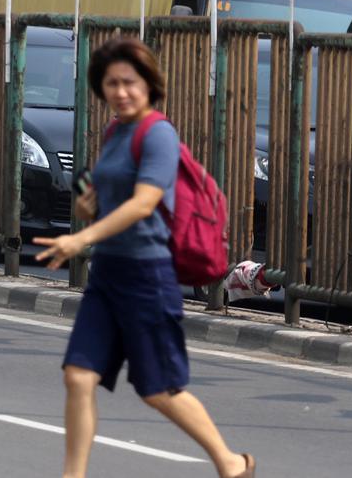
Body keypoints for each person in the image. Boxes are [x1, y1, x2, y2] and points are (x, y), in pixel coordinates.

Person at [34, 37, 254, 478]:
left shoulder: (158, 134)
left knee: (158, 390)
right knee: (78, 375)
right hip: (107, 275)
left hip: (147, 277)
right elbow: (100, 202)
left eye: (129, 83)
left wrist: (81, 240)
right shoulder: (116, 132)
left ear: (150, 85)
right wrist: (87, 203)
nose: (120, 92)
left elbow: (143, 203)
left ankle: (230, 463)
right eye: (111, 84)